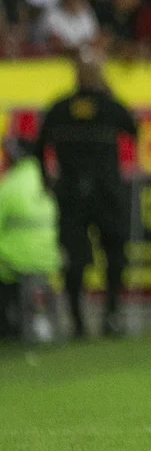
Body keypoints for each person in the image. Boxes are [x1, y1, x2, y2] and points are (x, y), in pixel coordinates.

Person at [36, 57, 138, 338]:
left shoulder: (58, 109)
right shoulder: (110, 107)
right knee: (114, 255)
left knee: (74, 259)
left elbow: (38, 146)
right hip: (107, 194)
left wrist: (47, 180)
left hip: (71, 195)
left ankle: (78, 321)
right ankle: (112, 316)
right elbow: (134, 128)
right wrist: (110, 91)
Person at [0, 138, 60, 339]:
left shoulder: (9, 185)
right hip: (48, 258)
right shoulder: (45, 181)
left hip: (17, 261)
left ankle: (8, 327)